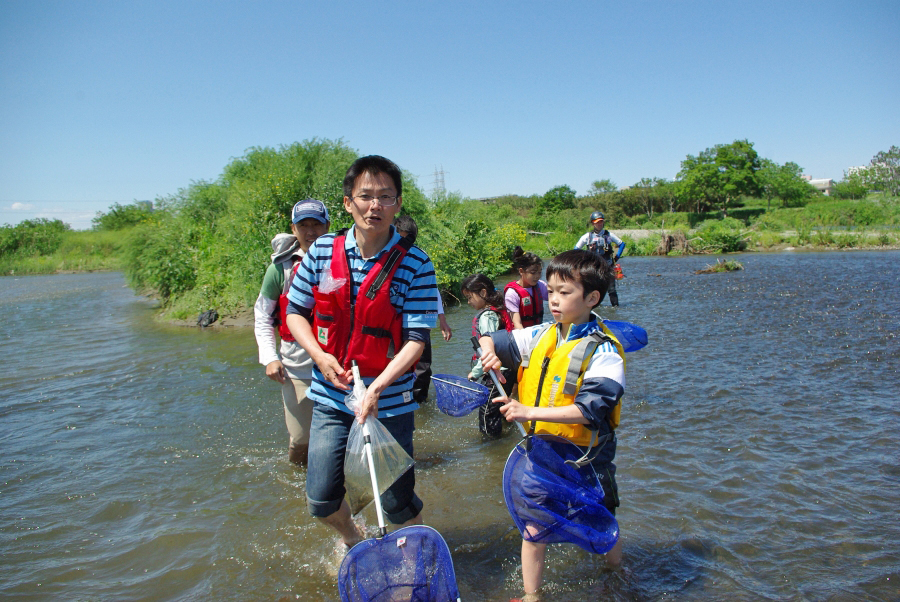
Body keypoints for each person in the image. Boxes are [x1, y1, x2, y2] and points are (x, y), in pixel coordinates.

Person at [284, 155, 440, 550]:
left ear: (398, 204)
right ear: (347, 202)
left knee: (396, 501)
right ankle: (355, 540)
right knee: (320, 500)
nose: (376, 206)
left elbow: (416, 339)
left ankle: (417, 552)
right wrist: (319, 356)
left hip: (389, 398)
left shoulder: (416, 263)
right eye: (366, 196)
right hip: (332, 396)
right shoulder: (321, 251)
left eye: (386, 197)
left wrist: (376, 389)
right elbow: (295, 312)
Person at [478, 249, 626, 601]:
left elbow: (590, 410)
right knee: (533, 525)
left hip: (587, 456)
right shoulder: (542, 334)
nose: (554, 300)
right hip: (542, 452)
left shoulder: (605, 352)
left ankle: (616, 574)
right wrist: (488, 349)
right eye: (552, 291)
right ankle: (532, 596)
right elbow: (491, 337)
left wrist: (528, 412)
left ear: (592, 298)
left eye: (565, 292)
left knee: (600, 518)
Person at [253, 199, 330, 465]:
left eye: (317, 224)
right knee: (301, 440)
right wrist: (269, 357)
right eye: (303, 225)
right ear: (293, 229)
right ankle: (299, 483)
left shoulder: (345, 261)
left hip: (339, 365)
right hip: (297, 367)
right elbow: (262, 316)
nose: (311, 231)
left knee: (344, 435)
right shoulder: (279, 270)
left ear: (328, 226)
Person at [393, 214, 452, 404]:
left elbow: (432, 291)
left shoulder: (419, 260)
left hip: (418, 321)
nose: (403, 243)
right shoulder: (384, 256)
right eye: (399, 237)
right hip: (393, 323)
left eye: (408, 239)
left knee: (423, 364)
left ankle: (419, 401)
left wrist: (442, 320)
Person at [460, 273, 513, 437]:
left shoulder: (488, 316)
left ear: (483, 293)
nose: (469, 302)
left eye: (470, 297)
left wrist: (474, 374)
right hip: (508, 369)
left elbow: (488, 350)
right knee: (501, 407)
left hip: (497, 371)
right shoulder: (499, 310)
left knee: (487, 413)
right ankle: (507, 438)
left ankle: (492, 447)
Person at [574, 210, 625, 306]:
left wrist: (617, 257)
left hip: (608, 266)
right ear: (593, 223)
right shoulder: (587, 237)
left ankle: (615, 309)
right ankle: (594, 309)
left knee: (612, 290)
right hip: (593, 268)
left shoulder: (609, 235)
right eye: (597, 222)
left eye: (601, 221)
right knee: (594, 291)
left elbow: (622, 244)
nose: (600, 224)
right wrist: (582, 260)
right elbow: (576, 249)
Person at [504, 247, 549, 330]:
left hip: (537, 333)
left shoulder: (540, 285)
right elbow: (517, 323)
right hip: (520, 336)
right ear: (521, 271)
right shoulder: (512, 293)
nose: (537, 276)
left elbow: (557, 298)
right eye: (533, 273)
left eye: (539, 272)